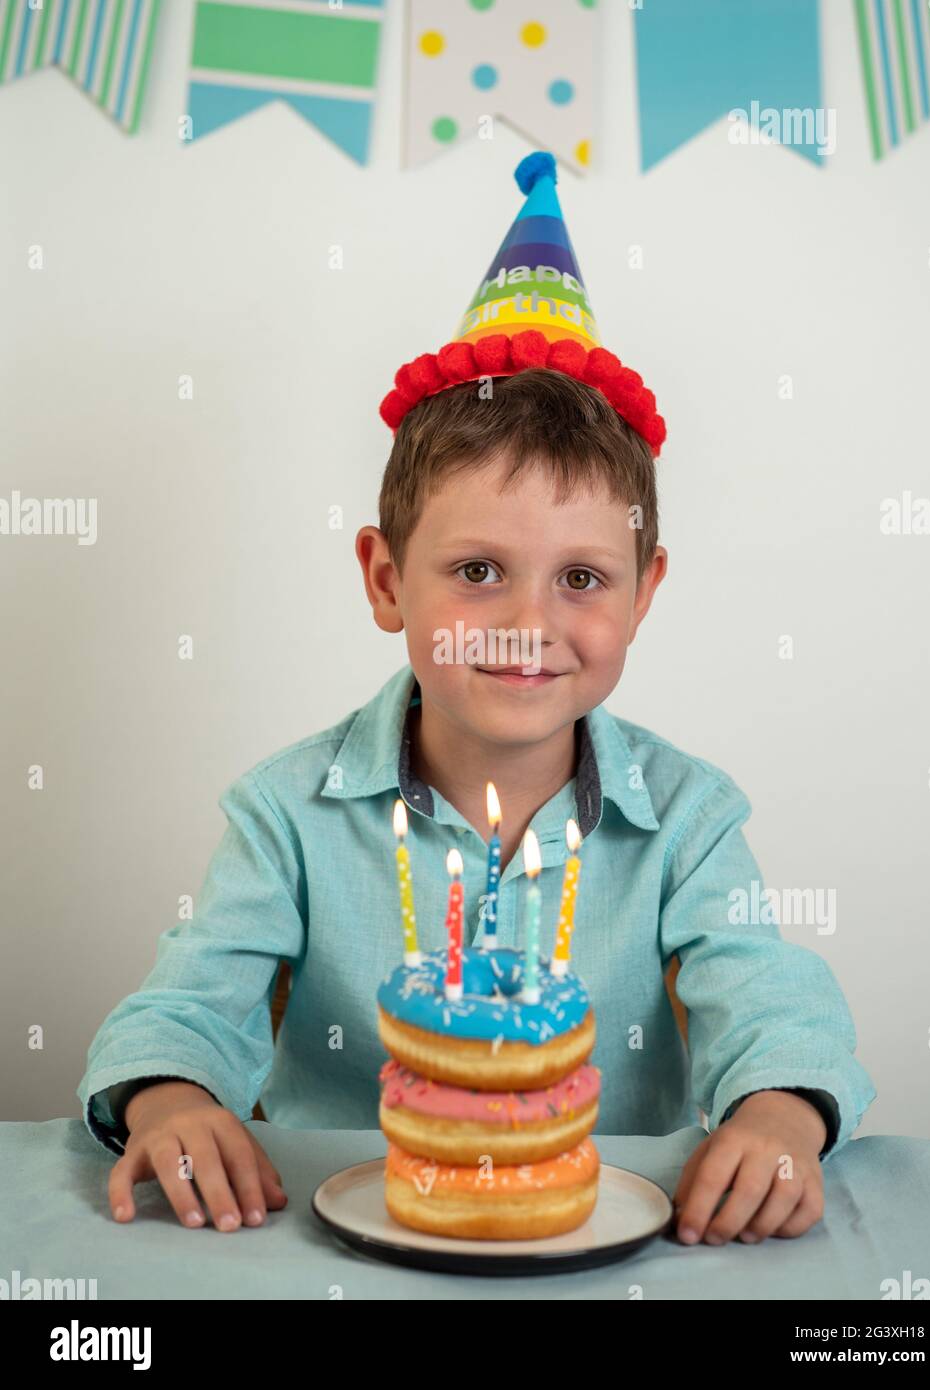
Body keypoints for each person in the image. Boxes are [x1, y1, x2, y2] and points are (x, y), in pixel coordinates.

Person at [78, 153, 875, 1245]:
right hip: (341, 1243)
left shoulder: (689, 821)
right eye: (479, 569)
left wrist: (783, 1106)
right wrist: (169, 1094)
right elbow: (185, 1003)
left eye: (583, 578)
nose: (528, 624)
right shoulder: (285, 813)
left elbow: (774, 1000)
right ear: (383, 577)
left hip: (596, 1245)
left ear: (644, 594)